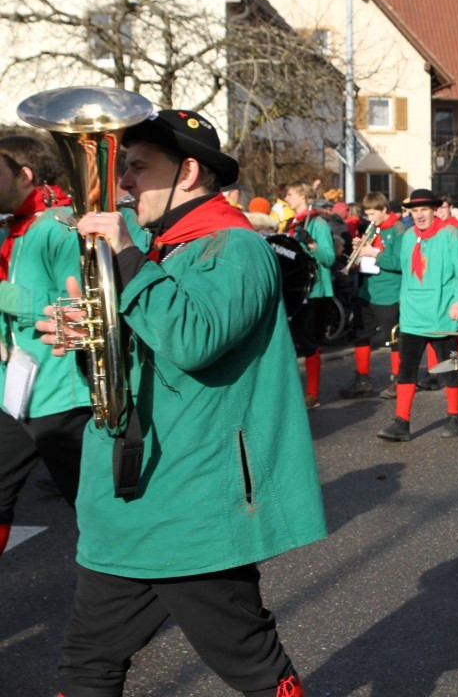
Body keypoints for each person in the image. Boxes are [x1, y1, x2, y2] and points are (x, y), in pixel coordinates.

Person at [38, 108, 326, 696]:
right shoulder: (161, 248)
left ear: (189, 172)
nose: (124, 184)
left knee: (251, 663)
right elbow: (152, 350)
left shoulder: (237, 246)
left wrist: (124, 257)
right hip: (137, 499)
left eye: (139, 168)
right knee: (87, 661)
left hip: (196, 503)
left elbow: (193, 339)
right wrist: (91, 335)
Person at [0, 135, 87, 560]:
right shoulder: (13, 228)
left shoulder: (59, 225)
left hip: (62, 394)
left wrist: (4, 297)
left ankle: (138, 590)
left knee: (94, 511)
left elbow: (78, 314)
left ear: (24, 175)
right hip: (16, 394)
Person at [376, 188, 458, 441]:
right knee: (406, 370)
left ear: (434, 210)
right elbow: (406, 273)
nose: (419, 215)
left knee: (451, 367)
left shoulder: (450, 234)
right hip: (412, 317)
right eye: (415, 211)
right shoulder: (408, 236)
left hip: (443, 316)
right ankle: (401, 421)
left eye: (423, 210)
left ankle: (453, 416)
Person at [339, 191, 405, 399]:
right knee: (360, 335)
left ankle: (397, 379)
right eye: (367, 214)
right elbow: (362, 263)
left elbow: (400, 263)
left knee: (394, 339)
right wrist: (358, 253)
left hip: (389, 292)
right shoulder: (372, 229)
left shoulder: (398, 230)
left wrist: (374, 253)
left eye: (372, 214)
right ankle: (362, 379)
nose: (369, 218)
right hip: (368, 291)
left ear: (384, 210)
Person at [281, 182, 335, 408]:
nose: (287, 198)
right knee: (291, 343)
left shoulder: (318, 223)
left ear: (303, 196)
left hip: (315, 290)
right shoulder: (290, 223)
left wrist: (311, 243)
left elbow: (330, 258)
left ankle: (312, 393)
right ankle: (291, 391)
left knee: (308, 343)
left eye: (291, 194)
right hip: (292, 290)